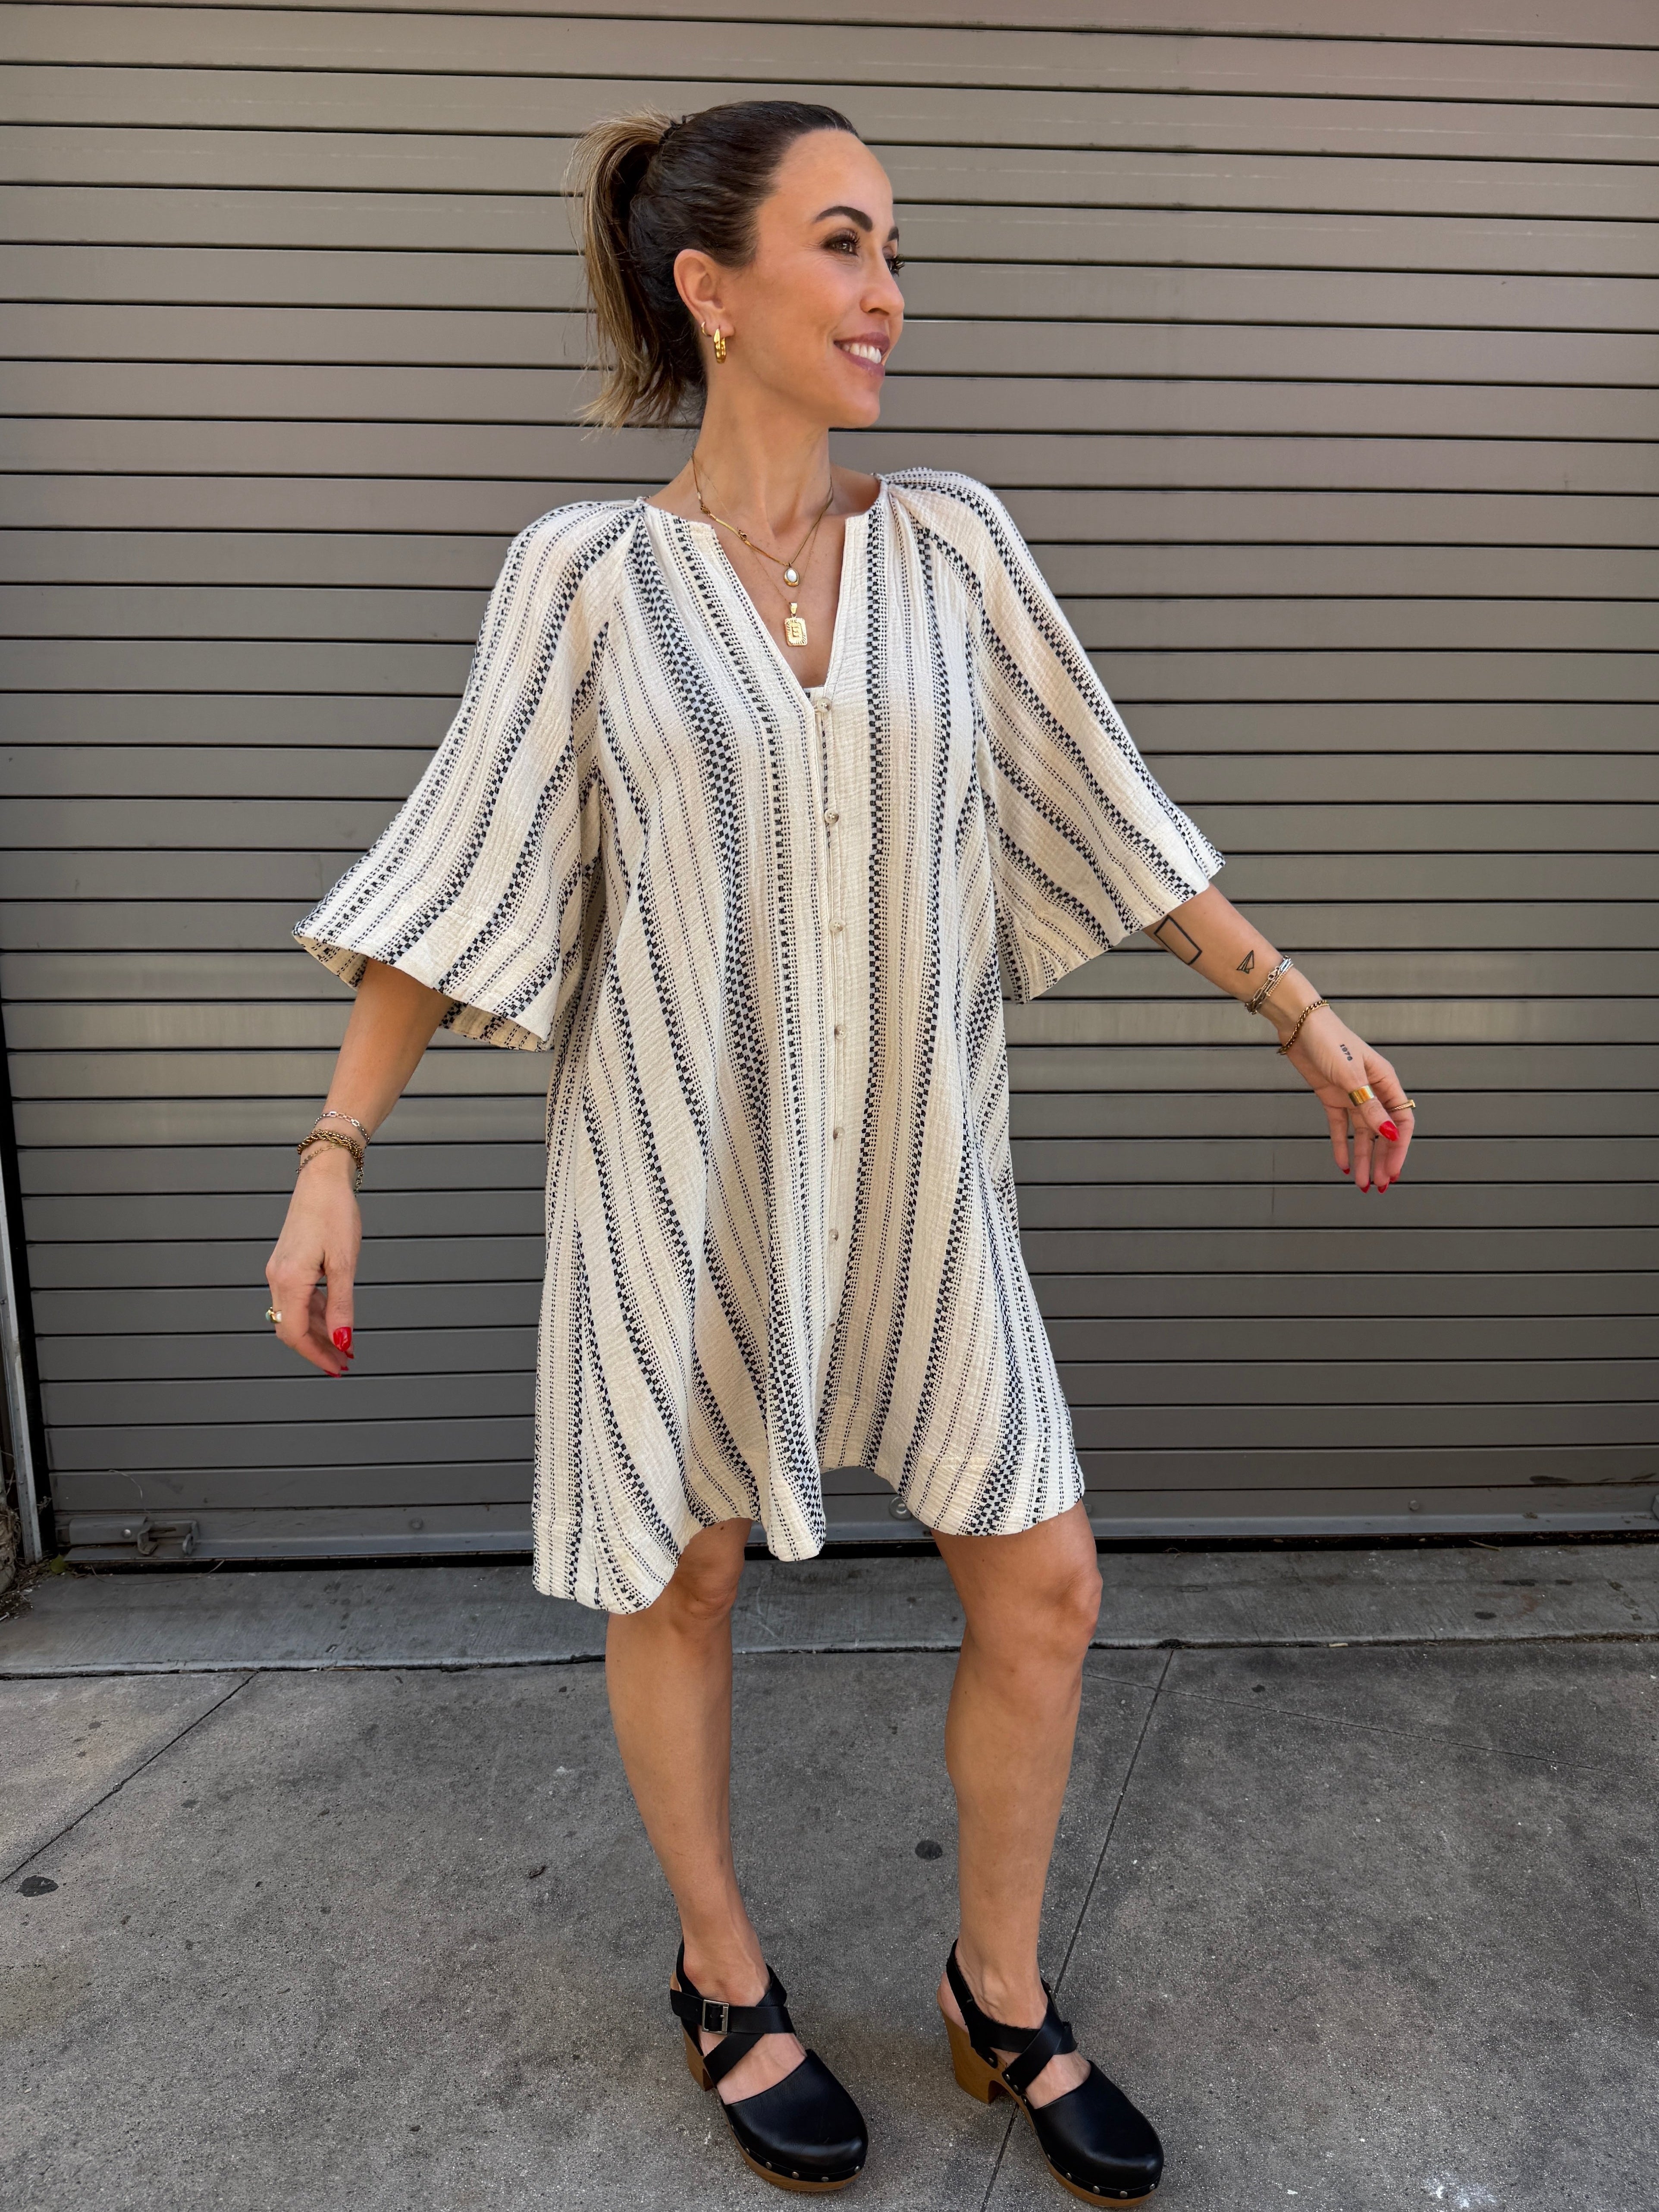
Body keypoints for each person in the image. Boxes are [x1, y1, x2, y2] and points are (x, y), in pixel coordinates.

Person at [265, 99, 1414, 2206]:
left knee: (1042, 1575)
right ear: (710, 291)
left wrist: (1295, 1006)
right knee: (679, 1562)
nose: (889, 293)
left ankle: (996, 1986)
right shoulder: (581, 578)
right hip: (671, 1171)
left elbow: (1112, 815)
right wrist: (336, 1147)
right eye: (844, 245)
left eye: (893, 250)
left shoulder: (955, 546)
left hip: (918, 1167)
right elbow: (458, 874)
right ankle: (721, 1971)